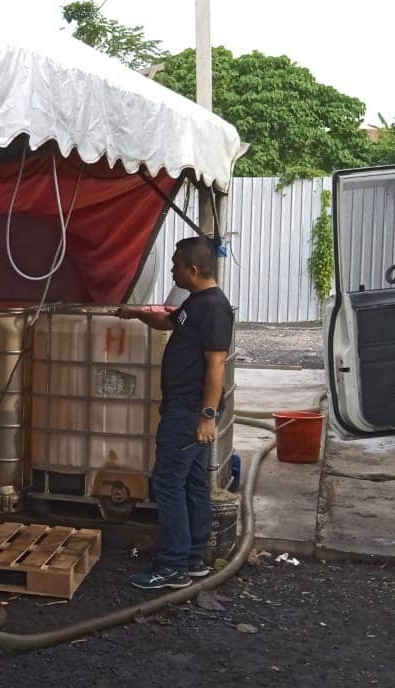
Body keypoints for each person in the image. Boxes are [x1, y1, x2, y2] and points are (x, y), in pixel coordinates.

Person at [117, 236, 233, 590]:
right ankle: (193, 558)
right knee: (193, 483)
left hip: (189, 413)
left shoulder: (213, 307)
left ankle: (172, 566)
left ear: (192, 270)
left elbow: (216, 365)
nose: (171, 271)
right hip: (186, 411)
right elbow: (168, 322)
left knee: (167, 484)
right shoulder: (195, 303)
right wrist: (136, 313)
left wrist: (207, 416)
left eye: (175, 265)